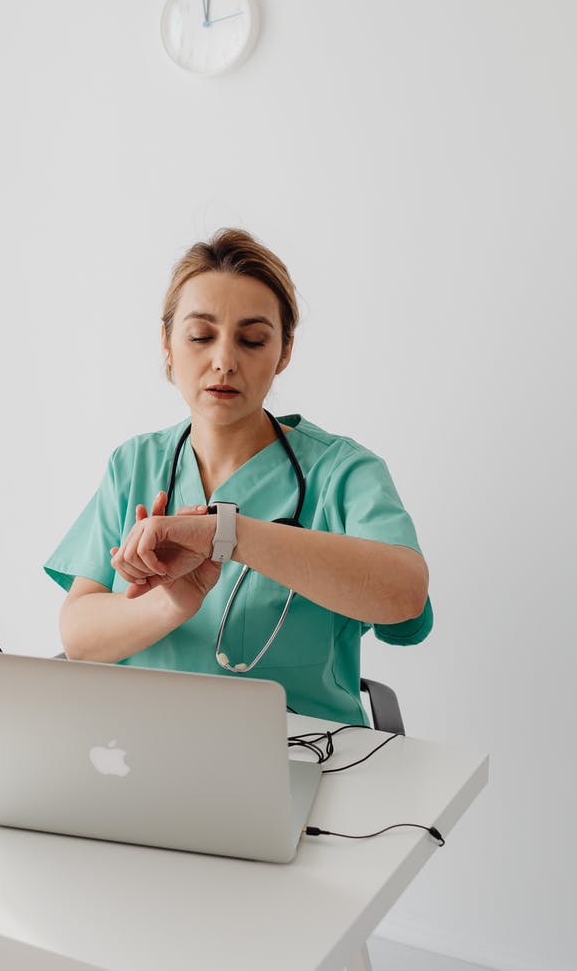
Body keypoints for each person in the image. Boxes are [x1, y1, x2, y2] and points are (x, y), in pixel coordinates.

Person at [44, 229, 432, 725]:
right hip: (143, 748)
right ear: (166, 344)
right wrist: (172, 603)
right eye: (201, 336)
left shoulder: (342, 472)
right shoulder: (135, 463)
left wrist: (225, 535)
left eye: (252, 340)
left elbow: (404, 595)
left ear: (284, 351)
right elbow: (79, 636)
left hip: (302, 753)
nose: (224, 360)